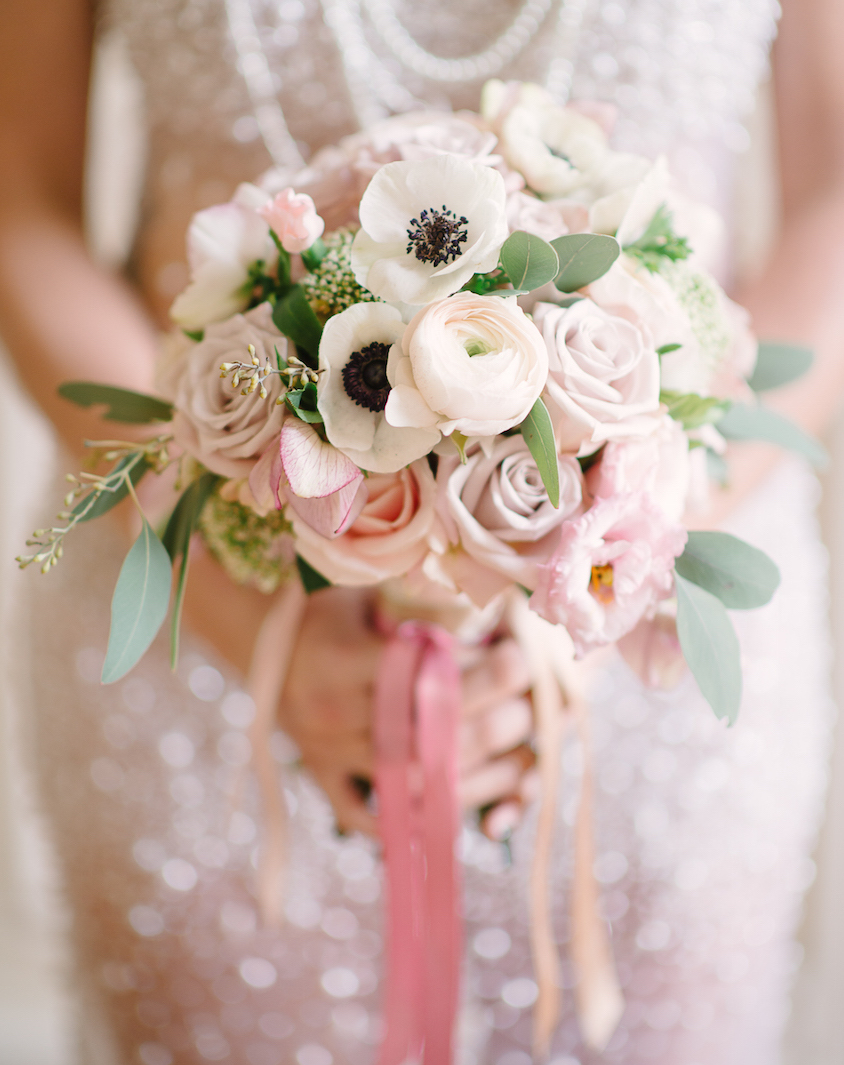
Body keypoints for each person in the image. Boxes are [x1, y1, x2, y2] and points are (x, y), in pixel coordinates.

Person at [0, 1, 841, 1062]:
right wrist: (245, 613)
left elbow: (833, 195)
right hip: (198, 616)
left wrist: (611, 559)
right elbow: (20, 192)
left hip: (653, 664)